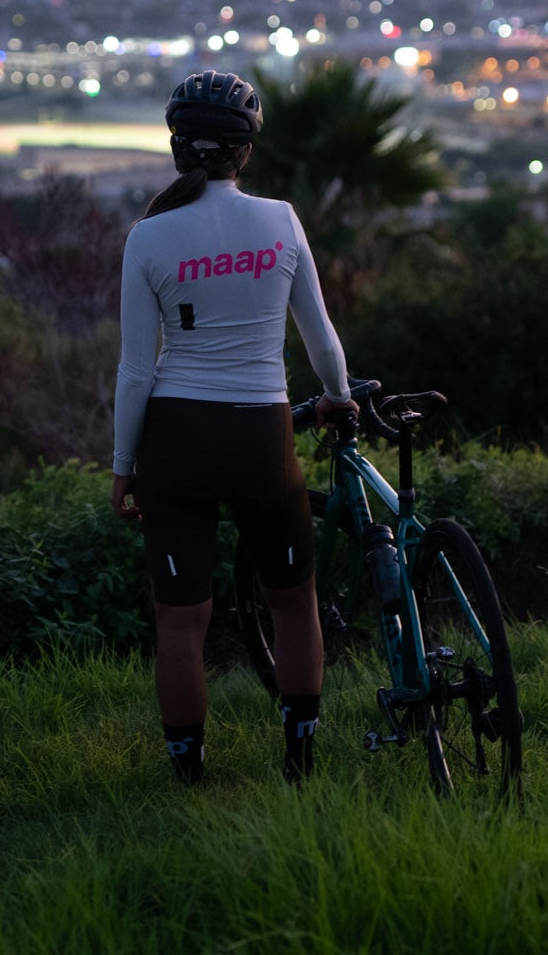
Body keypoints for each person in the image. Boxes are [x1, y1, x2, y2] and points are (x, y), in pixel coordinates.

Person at [110, 69, 357, 785]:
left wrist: (124, 464)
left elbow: (136, 370)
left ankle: (189, 771)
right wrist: (338, 395)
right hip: (263, 436)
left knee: (181, 621)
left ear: (178, 146)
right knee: (293, 600)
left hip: (175, 442)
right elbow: (321, 341)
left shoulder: (149, 236)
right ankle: (299, 757)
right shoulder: (280, 221)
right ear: (245, 150)